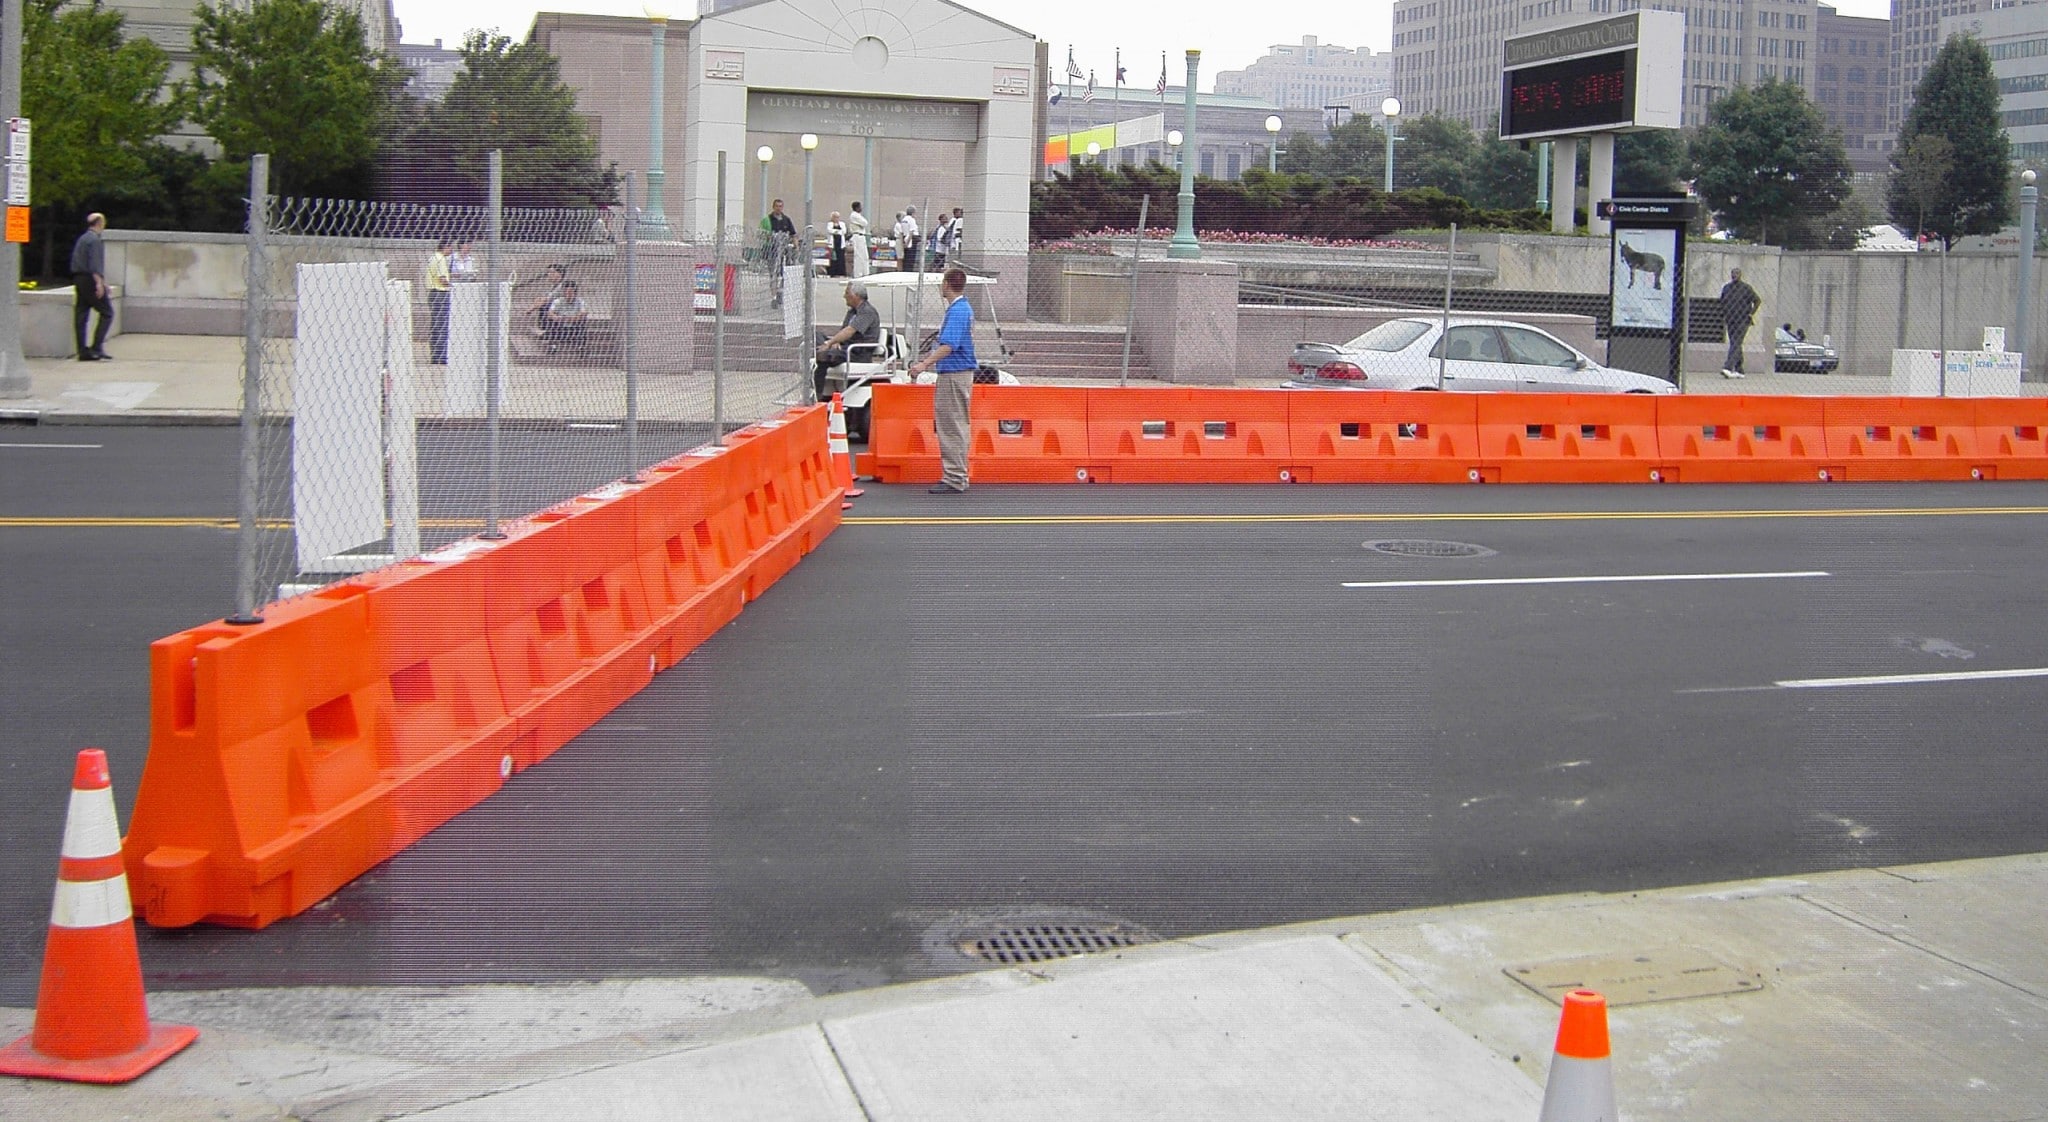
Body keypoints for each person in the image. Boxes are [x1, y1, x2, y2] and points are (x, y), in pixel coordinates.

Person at [907, 267, 976, 493]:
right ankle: (957, 473)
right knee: (956, 424)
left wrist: (924, 364)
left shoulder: (957, 311)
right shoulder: (961, 309)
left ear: (947, 284)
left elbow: (949, 345)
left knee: (951, 424)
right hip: (957, 373)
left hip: (954, 374)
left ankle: (955, 477)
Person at [812, 280, 881, 403]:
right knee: (815, 335)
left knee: (822, 357)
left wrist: (829, 343)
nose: (844, 296)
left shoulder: (867, 312)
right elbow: (843, 331)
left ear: (856, 296)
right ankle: (821, 352)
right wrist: (836, 342)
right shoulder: (852, 311)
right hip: (845, 347)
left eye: (847, 293)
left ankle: (818, 396)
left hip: (857, 352)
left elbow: (850, 331)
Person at [70, 213, 114, 362]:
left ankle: (82, 350)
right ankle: (96, 347)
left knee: (81, 315)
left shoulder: (82, 239)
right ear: (99, 223)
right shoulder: (94, 240)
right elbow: (95, 264)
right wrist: (99, 283)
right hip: (89, 279)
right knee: (107, 312)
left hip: (79, 278)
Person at [1719, 267, 1759, 379]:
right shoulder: (1727, 288)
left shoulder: (1746, 288)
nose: (1734, 275)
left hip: (1743, 320)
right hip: (1731, 319)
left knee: (1736, 342)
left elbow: (1757, 300)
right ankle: (1739, 369)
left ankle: (1728, 367)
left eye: (1737, 273)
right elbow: (1722, 302)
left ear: (1740, 275)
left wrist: (1751, 313)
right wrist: (1724, 313)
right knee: (1735, 343)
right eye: (1733, 273)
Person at [540, 279, 590, 354]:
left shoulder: (580, 302)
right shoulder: (558, 301)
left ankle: (581, 347)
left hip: (574, 326)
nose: (568, 294)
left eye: (570, 292)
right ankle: (553, 346)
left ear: (575, 292)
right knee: (550, 321)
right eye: (566, 291)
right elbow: (550, 313)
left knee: (583, 321)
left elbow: (584, 313)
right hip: (560, 326)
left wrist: (573, 318)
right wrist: (556, 317)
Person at [424, 238, 453, 364]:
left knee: (435, 325)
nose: (451, 250)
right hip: (441, 293)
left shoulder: (433, 258)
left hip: (432, 293)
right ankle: (441, 356)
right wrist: (451, 286)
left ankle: (435, 355)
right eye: (450, 247)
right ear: (445, 247)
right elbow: (442, 278)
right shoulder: (441, 259)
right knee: (442, 325)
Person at [763, 199, 797, 305]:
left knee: (783, 275)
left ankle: (780, 294)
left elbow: (793, 234)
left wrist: (796, 245)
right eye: (777, 206)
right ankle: (773, 296)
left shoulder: (786, 220)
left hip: (784, 252)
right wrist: (770, 237)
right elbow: (762, 234)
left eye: (780, 206)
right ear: (773, 207)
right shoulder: (767, 220)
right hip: (771, 251)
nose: (779, 208)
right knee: (773, 274)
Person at [525, 263, 567, 334]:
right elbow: (543, 298)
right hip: (557, 309)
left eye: (552, 272)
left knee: (545, 305)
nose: (549, 275)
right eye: (548, 272)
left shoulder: (562, 286)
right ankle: (545, 328)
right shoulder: (554, 286)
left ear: (559, 274)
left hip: (562, 311)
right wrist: (536, 303)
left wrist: (530, 309)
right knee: (542, 302)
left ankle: (547, 329)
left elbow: (547, 300)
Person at [847, 202, 871, 278]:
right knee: (858, 256)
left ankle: (865, 273)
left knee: (864, 256)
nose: (861, 208)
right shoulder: (854, 215)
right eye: (860, 207)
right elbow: (865, 223)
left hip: (861, 236)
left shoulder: (858, 215)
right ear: (857, 208)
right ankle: (858, 274)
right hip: (857, 236)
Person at [826, 212, 849, 277]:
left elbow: (844, 231)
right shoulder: (829, 224)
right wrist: (838, 232)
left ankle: (841, 273)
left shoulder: (842, 224)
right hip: (833, 243)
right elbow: (830, 231)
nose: (836, 218)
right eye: (835, 217)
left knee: (841, 258)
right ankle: (832, 273)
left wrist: (835, 231)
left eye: (837, 217)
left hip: (840, 243)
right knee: (833, 258)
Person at [898, 206, 921, 272]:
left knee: (906, 257)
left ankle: (905, 269)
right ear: (913, 213)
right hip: (912, 239)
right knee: (911, 257)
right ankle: (909, 270)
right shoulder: (911, 220)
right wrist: (908, 242)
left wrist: (903, 242)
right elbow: (911, 231)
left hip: (905, 237)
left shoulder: (903, 220)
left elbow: (901, 232)